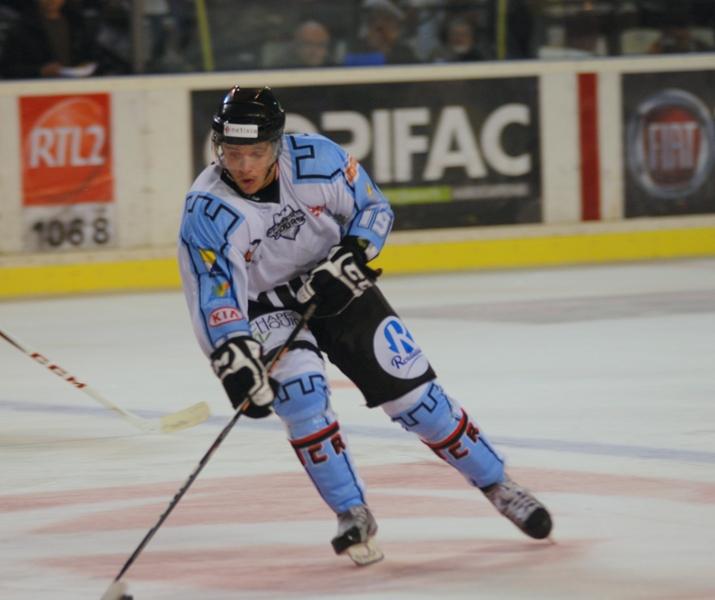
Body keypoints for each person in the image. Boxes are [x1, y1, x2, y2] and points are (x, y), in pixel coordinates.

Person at [178, 85, 553, 565]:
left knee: (418, 401)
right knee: (301, 399)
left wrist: (353, 252)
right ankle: (351, 511)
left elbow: (374, 209)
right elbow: (214, 294)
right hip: (264, 303)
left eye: (256, 152)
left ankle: (499, 484)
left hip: (335, 283)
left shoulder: (318, 159)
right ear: (218, 147)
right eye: (233, 153)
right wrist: (233, 356)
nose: (244, 166)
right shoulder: (206, 210)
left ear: (277, 144)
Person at [0, 0, 99, 79]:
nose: (51, 0)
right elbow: (8, 68)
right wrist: (39, 71)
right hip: (38, 89)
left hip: (77, 87)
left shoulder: (77, 24)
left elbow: (93, 55)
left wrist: (87, 65)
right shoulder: (22, 28)